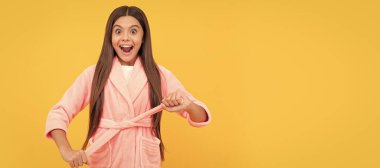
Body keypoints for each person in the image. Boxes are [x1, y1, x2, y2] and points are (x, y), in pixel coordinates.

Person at [44, 5, 211, 168]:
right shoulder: (93, 74)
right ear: (110, 37)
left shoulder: (159, 75)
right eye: (118, 31)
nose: (125, 38)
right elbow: (59, 112)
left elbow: (201, 116)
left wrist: (188, 105)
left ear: (143, 36)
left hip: (144, 161)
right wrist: (66, 150)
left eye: (133, 31)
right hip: (105, 159)